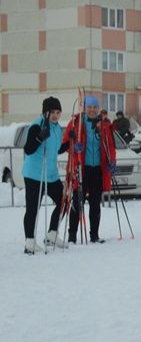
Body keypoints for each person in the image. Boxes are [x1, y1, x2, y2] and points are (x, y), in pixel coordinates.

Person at [64, 95, 116, 244]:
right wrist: (73, 147)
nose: (92, 110)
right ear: (84, 108)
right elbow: (64, 143)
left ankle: (94, 235)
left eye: (94, 107)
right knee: (77, 203)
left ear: (98, 108)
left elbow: (111, 147)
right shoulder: (76, 123)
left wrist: (112, 162)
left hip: (97, 170)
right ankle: (72, 235)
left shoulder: (104, 125)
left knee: (95, 203)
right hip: (81, 169)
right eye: (89, 107)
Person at [21, 97, 68, 253]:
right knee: (33, 208)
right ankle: (29, 242)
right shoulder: (36, 126)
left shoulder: (56, 128)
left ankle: (52, 233)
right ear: (45, 112)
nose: (55, 115)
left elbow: (57, 149)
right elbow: (28, 149)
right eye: (52, 112)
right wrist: (39, 137)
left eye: (58, 112)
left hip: (51, 174)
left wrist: (70, 143)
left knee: (64, 201)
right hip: (35, 174)